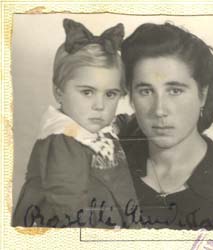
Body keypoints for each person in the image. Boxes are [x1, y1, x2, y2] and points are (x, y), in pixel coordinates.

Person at [118, 22, 213, 230]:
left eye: (175, 91)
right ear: (131, 96)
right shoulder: (108, 166)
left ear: (202, 95)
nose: (159, 110)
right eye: (146, 91)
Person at [12, 19, 138, 228]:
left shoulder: (96, 129)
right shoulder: (63, 141)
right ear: (59, 92)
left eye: (110, 94)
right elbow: (69, 209)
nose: (99, 105)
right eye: (87, 92)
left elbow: (119, 125)